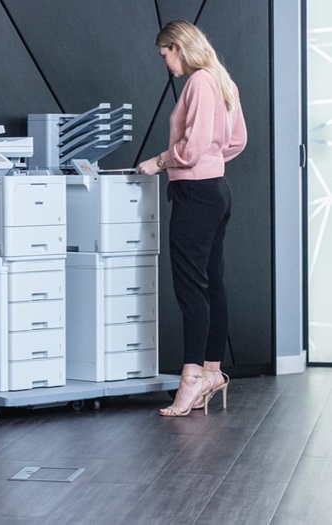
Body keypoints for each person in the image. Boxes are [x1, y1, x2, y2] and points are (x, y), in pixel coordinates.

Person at [135, 20, 247, 417]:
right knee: (212, 283)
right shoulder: (223, 80)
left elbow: (193, 146)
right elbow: (238, 141)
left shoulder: (199, 82)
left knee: (190, 289)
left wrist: (161, 162)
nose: (165, 62)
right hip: (217, 191)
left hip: (195, 194)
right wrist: (209, 162)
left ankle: (191, 379)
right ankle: (212, 371)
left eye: (164, 53)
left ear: (178, 46)